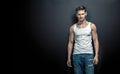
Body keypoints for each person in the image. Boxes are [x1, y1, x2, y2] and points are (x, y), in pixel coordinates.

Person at [67, 5, 99, 74]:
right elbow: (70, 42)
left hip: (89, 55)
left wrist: (96, 55)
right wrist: (69, 58)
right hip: (76, 55)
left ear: (85, 14)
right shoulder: (72, 28)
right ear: (76, 15)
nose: (81, 16)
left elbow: (95, 40)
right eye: (79, 14)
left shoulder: (92, 26)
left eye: (82, 14)